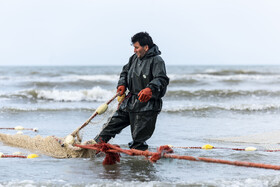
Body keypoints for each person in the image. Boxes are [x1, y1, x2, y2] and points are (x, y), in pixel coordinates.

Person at [94, 32, 169, 150]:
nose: (134, 50)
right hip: (130, 101)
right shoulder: (134, 58)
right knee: (110, 126)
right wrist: (122, 84)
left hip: (147, 105)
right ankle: (95, 146)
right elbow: (124, 71)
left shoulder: (157, 60)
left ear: (146, 47)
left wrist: (150, 88)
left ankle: (138, 163)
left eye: (136, 47)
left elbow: (161, 79)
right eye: (134, 47)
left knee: (138, 141)